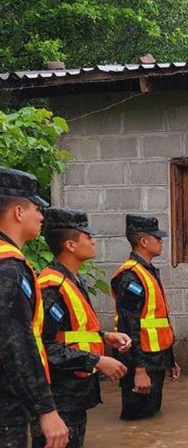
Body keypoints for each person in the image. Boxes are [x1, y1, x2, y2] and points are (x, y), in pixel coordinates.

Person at [31, 209, 132, 448]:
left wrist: (105, 336)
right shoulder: (51, 288)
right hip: (58, 398)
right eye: (88, 236)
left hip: (75, 395)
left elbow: (70, 331)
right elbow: (45, 346)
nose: (94, 241)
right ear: (70, 245)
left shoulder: (73, 281)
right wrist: (97, 361)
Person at [0, 166, 68, 448]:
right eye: (36, 209)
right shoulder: (9, 267)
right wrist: (46, 410)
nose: (41, 217)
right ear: (18, 212)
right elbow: (16, 342)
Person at [111, 214, 179, 421]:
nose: (161, 241)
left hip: (156, 358)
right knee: (136, 420)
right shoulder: (130, 276)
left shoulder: (147, 271)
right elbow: (128, 325)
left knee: (150, 418)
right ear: (143, 241)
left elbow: (159, 322)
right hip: (141, 361)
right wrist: (139, 369)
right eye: (157, 238)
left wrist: (170, 360)